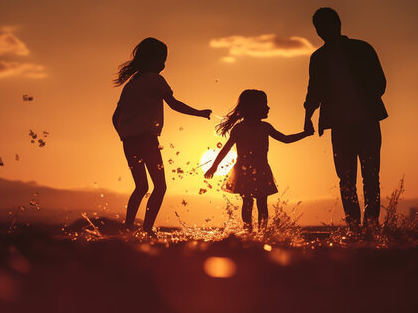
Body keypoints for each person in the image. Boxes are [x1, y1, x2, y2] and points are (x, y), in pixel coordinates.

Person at [113, 37, 212, 237]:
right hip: (148, 141)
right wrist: (200, 113)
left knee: (140, 186)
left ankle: (128, 226)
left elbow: (115, 117)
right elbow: (174, 104)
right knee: (160, 186)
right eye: (162, 59)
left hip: (129, 142)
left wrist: (124, 135)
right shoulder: (156, 80)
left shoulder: (131, 85)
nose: (164, 64)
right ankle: (147, 228)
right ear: (152, 59)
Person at [303, 7, 388, 230]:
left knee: (371, 177)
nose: (322, 31)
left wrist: (362, 99)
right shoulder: (318, 58)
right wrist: (307, 117)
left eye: (325, 26)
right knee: (346, 180)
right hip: (339, 126)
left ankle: (371, 225)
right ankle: (353, 226)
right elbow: (314, 91)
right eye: (318, 28)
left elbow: (380, 82)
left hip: (367, 122)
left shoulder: (362, 48)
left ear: (337, 24)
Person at [205, 90, 312, 231]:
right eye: (264, 104)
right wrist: (214, 167)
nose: (268, 107)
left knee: (262, 202)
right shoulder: (239, 128)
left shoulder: (265, 127)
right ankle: (248, 230)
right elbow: (225, 149)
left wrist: (304, 134)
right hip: (243, 170)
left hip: (261, 169)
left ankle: (262, 232)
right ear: (251, 106)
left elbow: (285, 139)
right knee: (248, 202)